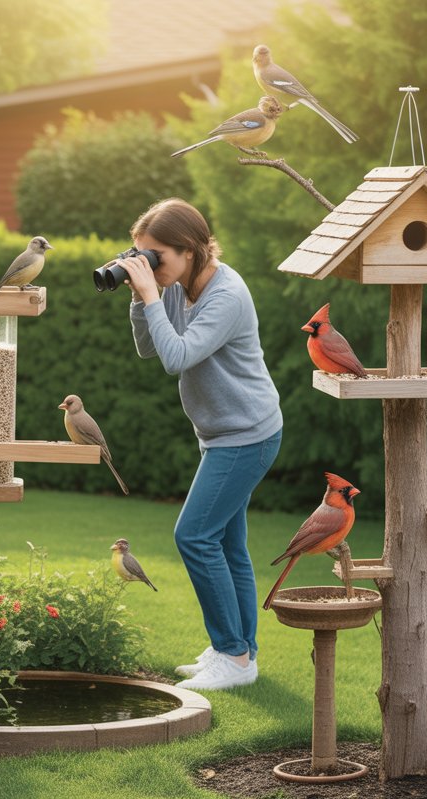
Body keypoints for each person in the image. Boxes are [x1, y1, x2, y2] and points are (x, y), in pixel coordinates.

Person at [121, 197, 282, 691]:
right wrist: (138, 296)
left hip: (247, 435)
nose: (151, 265)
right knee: (229, 545)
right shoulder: (175, 283)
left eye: (157, 256)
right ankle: (239, 653)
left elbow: (178, 357)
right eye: (141, 254)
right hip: (221, 435)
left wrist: (151, 296)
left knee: (193, 536)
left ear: (189, 250)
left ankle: (232, 656)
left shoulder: (226, 294)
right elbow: (150, 346)